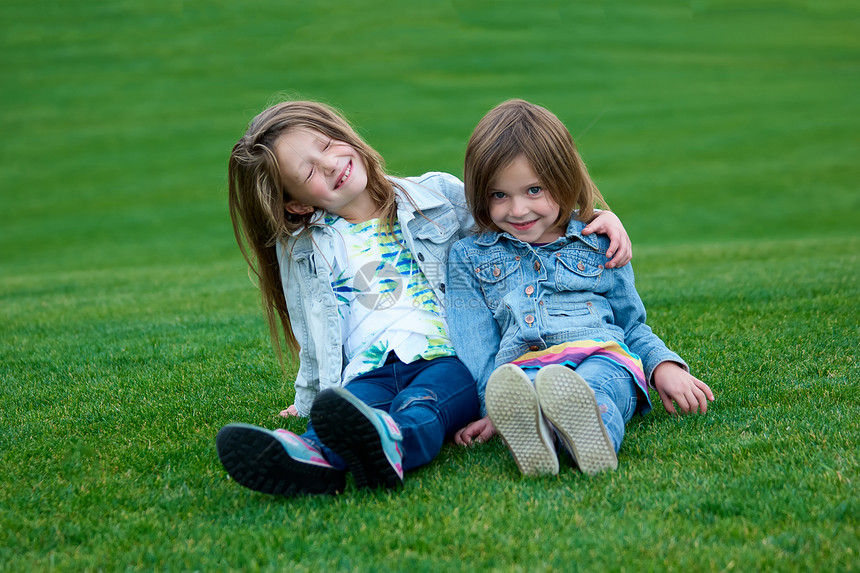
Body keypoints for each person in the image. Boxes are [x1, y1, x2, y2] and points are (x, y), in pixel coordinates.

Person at [215, 99, 634, 497]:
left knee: (424, 405)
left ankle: (393, 442)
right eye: (308, 173)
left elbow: (513, 227)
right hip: (368, 368)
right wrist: (307, 399)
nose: (330, 165)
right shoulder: (306, 250)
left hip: (444, 360)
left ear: (341, 134)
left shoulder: (436, 195)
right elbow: (312, 332)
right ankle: (309, 458)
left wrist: (594, 217)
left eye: (325, 146)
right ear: (297, 205)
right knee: (350, 411)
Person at [447, 99, 714, 476]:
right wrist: (490, 406)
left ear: (563, 178)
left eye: (534, 190)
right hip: (526, 369)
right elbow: (476, 342)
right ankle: (536, 434)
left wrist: (663, 366)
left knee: (596, 391)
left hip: (601, 355)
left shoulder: (598, 241)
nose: (518, 210)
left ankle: (592, 437)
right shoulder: (470, 255)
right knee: (532, 392)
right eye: (499, 195)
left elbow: (632, 324)